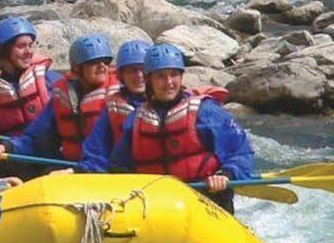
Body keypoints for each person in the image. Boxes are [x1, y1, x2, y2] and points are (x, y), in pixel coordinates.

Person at [99, 43, 256, 212]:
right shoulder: (135, 120)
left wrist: (226, 175)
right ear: (149, 80)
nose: (169, 82)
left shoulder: (206, 111)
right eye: (160, 76)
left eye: (174, 75)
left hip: (206, 198)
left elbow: (240, 152)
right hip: (157, 204)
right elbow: (119, 167)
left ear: (181, 77)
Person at [0, 34, 117, 172]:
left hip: (108, 171)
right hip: (76, 168)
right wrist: (6, 147)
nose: (102, 66)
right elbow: (35, 138)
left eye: (106, 61)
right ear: (77, 67)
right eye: (93, 62)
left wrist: (77, 171)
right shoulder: (63, 96)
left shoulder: (119, 98)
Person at [0, 16, 53, 166]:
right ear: (4, 51)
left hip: (50, 160)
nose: (28, 52)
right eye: (21, 46)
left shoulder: (49, 81)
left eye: (31, 45)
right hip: (11, 163)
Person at [80, 39, 150, 174]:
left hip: (169, 183)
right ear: (121, 75)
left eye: (143, 70)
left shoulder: (178, 104)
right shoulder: (112, 109)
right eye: (132, 71)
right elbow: (96, 154)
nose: (139, 76)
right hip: (127, 182)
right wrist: (77, 171)